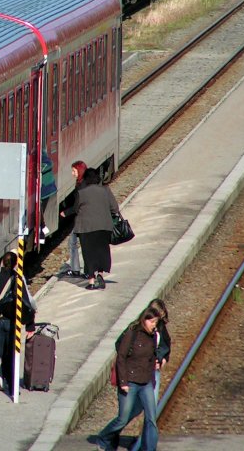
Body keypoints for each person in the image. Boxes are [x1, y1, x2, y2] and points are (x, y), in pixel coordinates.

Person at [96, 305, 163, 451]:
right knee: (122, 419)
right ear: (144, 320)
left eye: (156, 322)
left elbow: (152, 356)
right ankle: (104, 437)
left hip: (145, 383)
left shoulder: (154, 336)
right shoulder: (132, 333)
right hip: (130, 382)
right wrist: (123, 382)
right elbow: (121, 357)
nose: (154, 325)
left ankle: (150, 449)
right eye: (152, 322)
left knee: (151, 418)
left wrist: (157, 364)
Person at [0, 249, 36, 396]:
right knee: (10, 354)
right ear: (16, 264)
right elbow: (26, 304)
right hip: (12, 323)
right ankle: (11, 385)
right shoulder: (18, 280)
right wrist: (30, 325)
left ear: (2, 263)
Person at [129, 299, 171, 451]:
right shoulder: (135, 329)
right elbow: (122, 347)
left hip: (152, 375)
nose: (157, 322)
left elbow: (166, 345)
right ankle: (108, 435)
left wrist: (163, 358)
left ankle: (148, 447)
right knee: (130, 412)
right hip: (137, 375)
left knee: (150, 413)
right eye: (155, 319)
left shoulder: (160, 327)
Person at [71, 167, 119, 290]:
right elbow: (114, 208)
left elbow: (76, 209)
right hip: (104, 226)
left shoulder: (82, 193)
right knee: (102, 251)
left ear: (86, 179)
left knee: (89, 253)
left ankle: (91, 282)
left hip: (86, 228)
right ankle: (100, 275)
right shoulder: (105, 190)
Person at [59, 160, 87, 277]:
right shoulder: (82, 182)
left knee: (74, 242)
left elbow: (77, 206)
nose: (72, 173)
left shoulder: (81, 185)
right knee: (76, 242)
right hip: (83, 218)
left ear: (79, 171)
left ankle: (78, 269)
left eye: (74, 171)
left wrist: (66, 212)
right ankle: (84, 270)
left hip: (82, 218)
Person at [39, 150, 57, 244]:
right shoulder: (42, 154)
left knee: (40, 209)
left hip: (45, 189)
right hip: (46, 189)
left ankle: (42, 228)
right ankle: (43, 228)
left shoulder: (42, 156)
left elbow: (47, 164)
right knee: (40, 209)